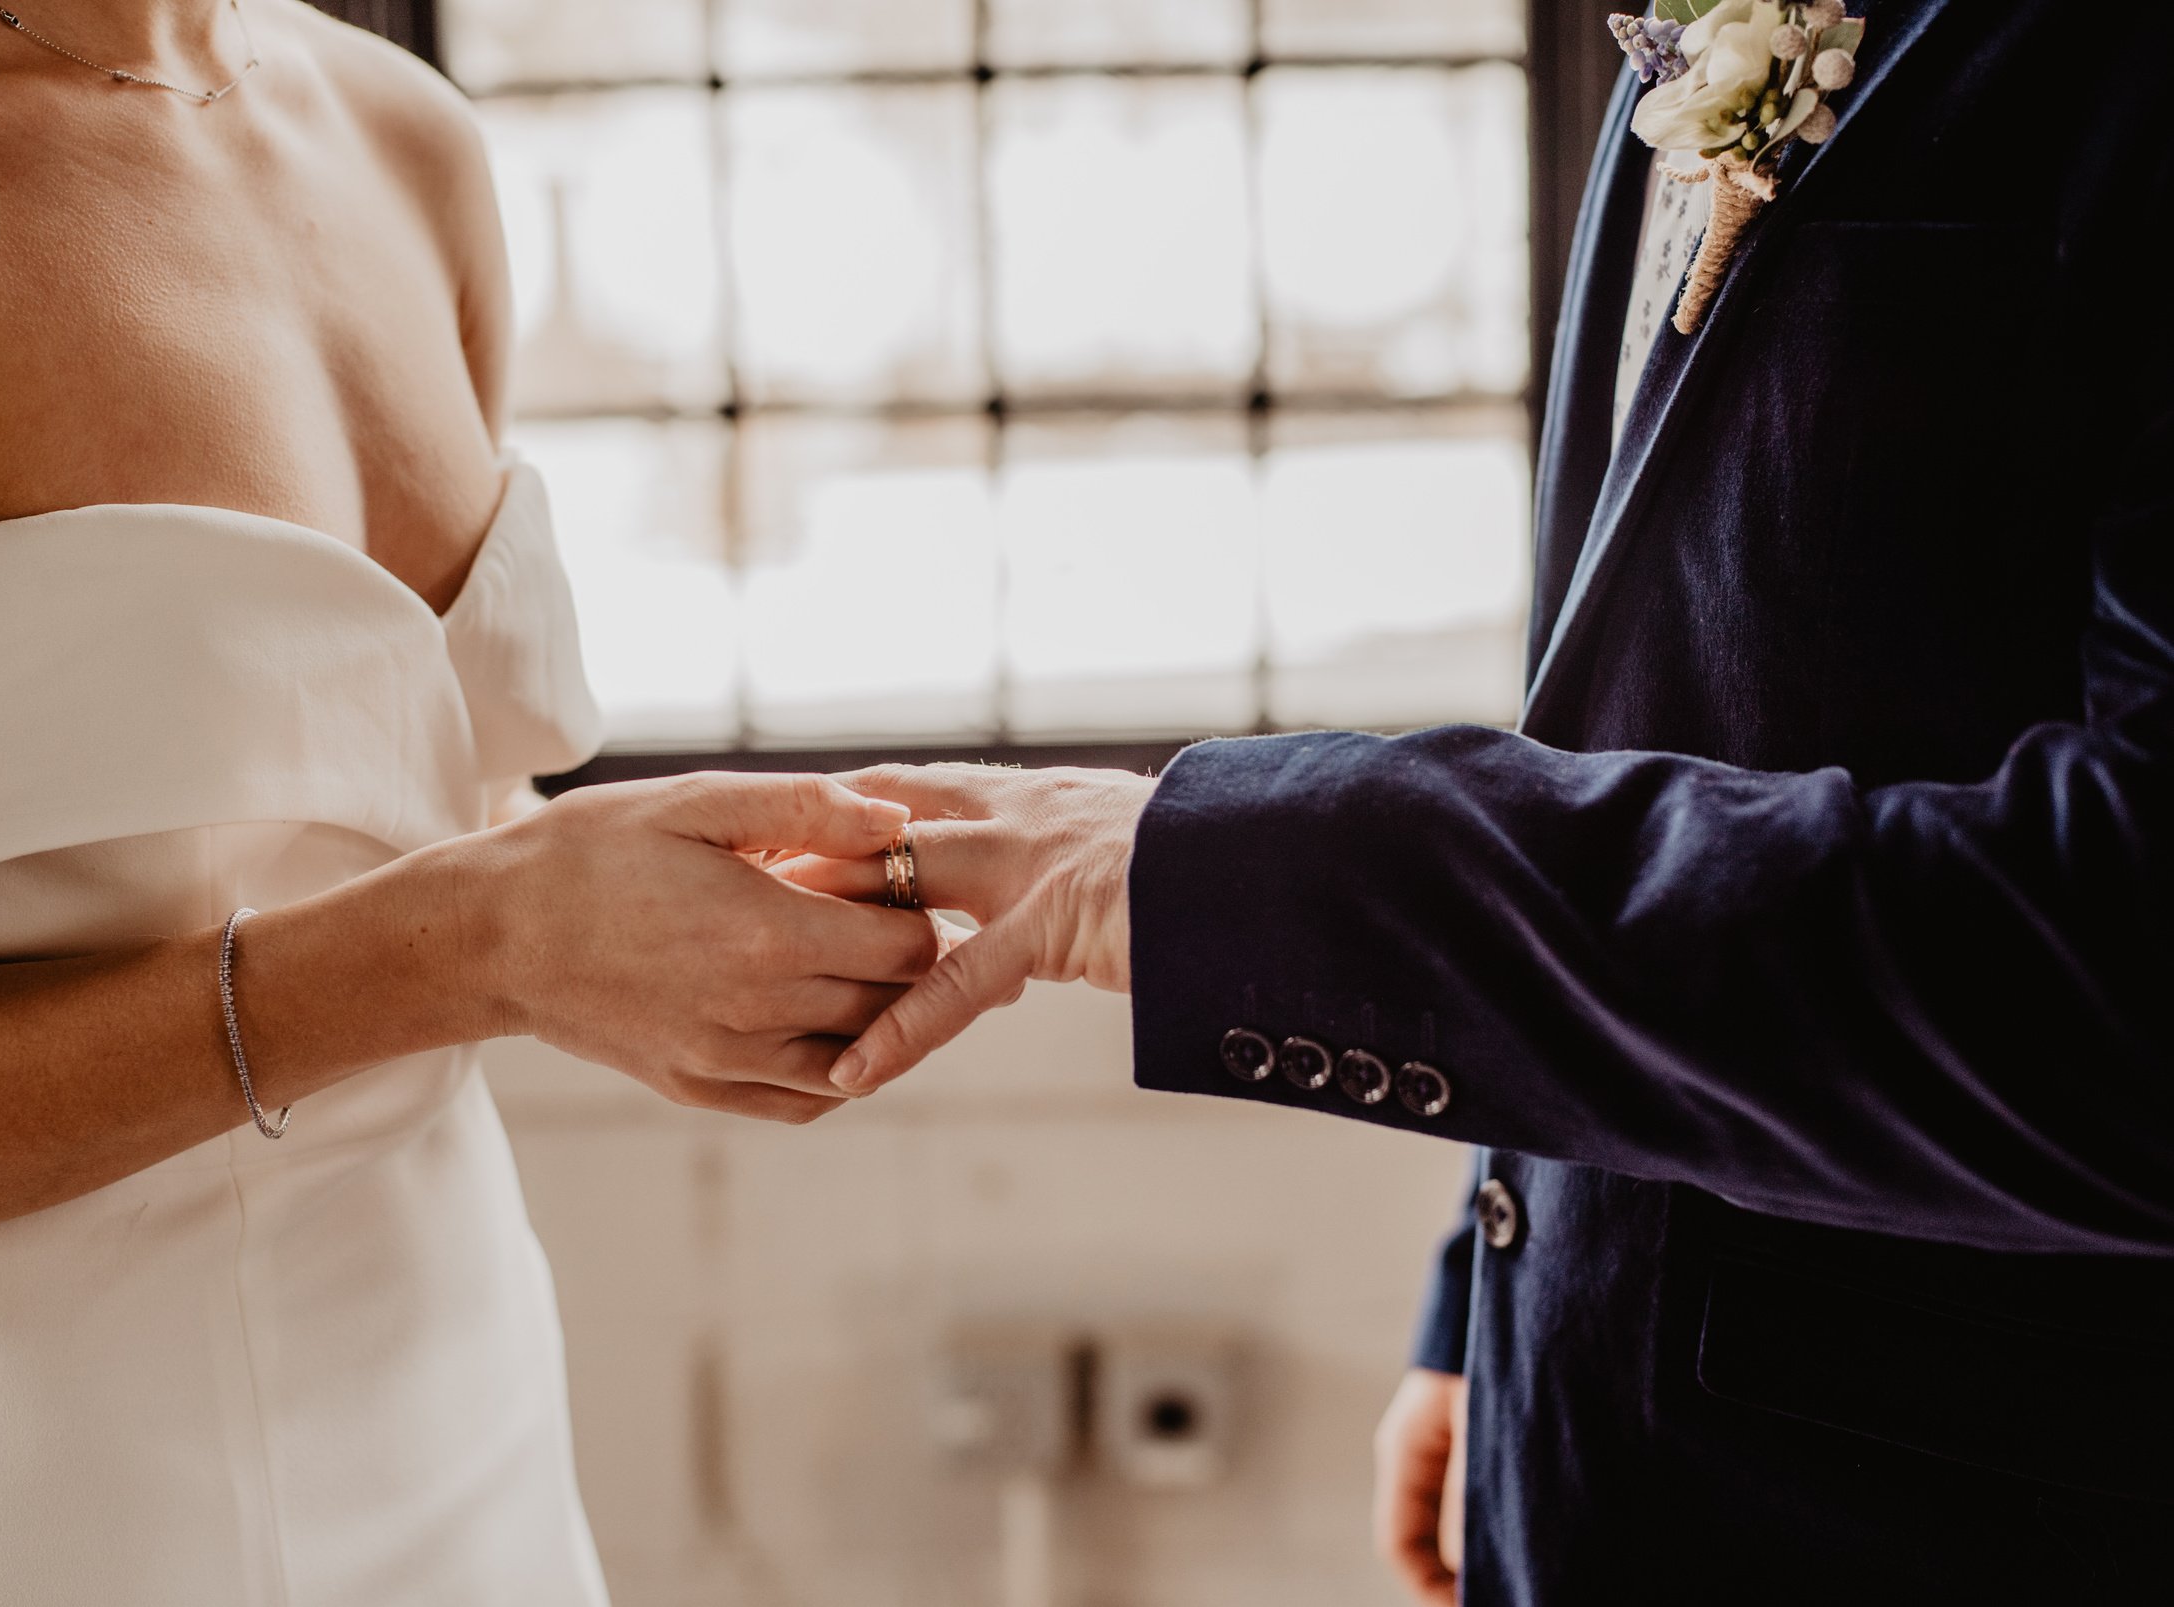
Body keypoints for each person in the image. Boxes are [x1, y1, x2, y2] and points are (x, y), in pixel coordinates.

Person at [811, 1, 2174, 1600]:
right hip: (1601, 1412)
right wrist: (1497, 1278)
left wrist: (1222, 866)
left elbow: (2126, 959)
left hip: (1967, 1503)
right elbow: (1663, 672)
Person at [0, 2, 937, 1601]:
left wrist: (688, 923)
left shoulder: (404, 134)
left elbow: (411, 801)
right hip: (69, 1502)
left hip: (473, 1415)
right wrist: (471, 946)